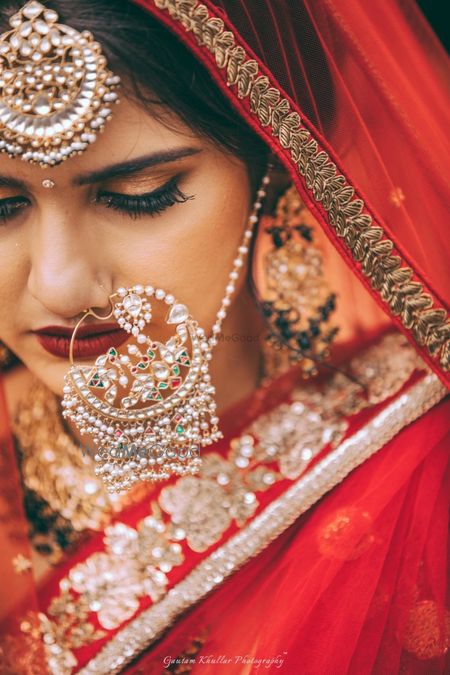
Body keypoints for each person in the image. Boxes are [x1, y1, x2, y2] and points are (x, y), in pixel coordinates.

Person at [0, 0, 448, 673]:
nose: (60, 285)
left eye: (141, 193)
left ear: (275, 165)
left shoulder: (422, 472)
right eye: (4, 206)